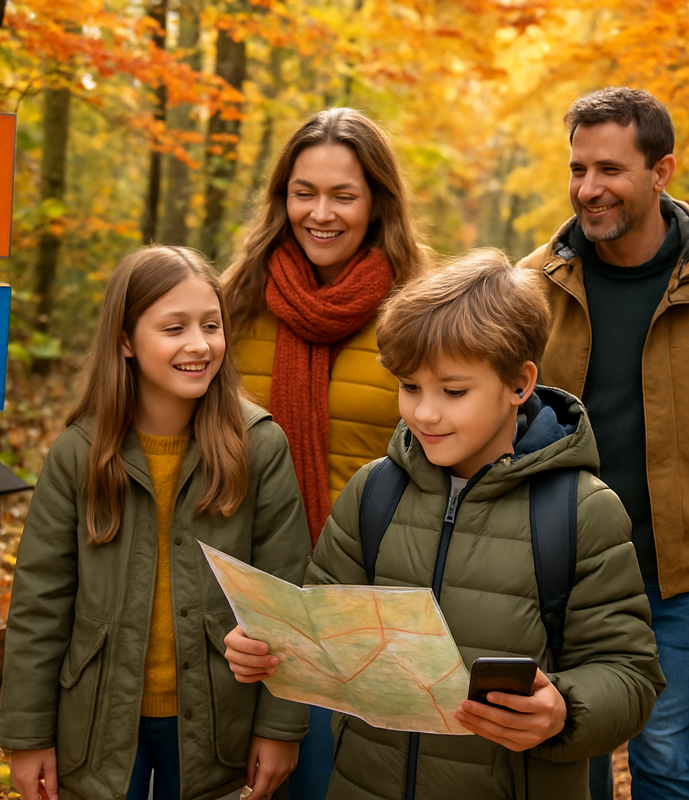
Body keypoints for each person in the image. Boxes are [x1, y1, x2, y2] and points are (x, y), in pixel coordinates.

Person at [223, 249, 665, 799]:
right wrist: (267, 645)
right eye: (410, 387)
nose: (424, 413)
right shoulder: (373, 492)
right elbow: (320, 626)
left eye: (453, 392)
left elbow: (630, 674)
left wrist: (564, 709)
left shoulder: (580, 511)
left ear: (519, 384)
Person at [0, 245, 311, 800]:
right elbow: (39, 605)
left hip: (219, 718)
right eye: (174, 327)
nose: (198, 344)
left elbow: (287, 599)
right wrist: (27, 736)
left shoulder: (259, 446)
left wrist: (280, 727)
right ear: (124, 340)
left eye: (211, 325)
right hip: (96, 719)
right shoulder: (80, 453)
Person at [517, 86, 689, 800]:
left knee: (665, 766)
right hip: (559, 572)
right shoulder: (529, 289)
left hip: (681, 577)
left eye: (608, 169)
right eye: (577, 169)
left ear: (661, 171)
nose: (588, 188)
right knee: (571, 761)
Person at [221, 107, 425, 799]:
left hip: (370, 609)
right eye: (304, 192)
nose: (321, 213)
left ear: (377, 203)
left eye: (344, 194)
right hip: (246, 604)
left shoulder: (417, 315)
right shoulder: (233, 304)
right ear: (282, 197)